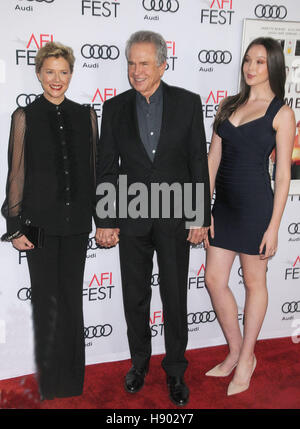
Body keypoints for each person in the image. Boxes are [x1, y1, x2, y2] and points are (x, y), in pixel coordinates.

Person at [95, 30, 210, 406]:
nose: (136, 70)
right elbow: (107, 168)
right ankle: (139, 364)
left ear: (163, 63)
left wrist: (199, 216)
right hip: (131, 217)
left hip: (177, 216)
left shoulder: (188, 103)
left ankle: (175, 370)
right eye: (131, 62)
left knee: (175, 297)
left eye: (144, 63)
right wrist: (106, 219)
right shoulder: (114, 108)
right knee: (135, 297)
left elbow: (197, 161)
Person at [1, 42, 99, 400]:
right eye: (50, 72)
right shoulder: (24, 116)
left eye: (63, 72)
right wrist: (15, 226)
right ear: (39, 73)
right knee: (46, 302)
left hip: (75, 226)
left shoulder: (86, 116)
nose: (56, 79)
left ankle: (72, 382)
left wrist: (102, 218)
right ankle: (50, 382)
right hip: (38, 225)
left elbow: (93, 174)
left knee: (72, 301)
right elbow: (17, 174)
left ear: (71, 74)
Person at [204, 37, 295, 396]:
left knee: (255, 283)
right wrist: (201, 209)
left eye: (259, 61)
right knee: (214, 279)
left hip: (257, 208)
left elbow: (283, 174)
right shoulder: (228, 106)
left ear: (272, 66)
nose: (251, 67)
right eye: (247, 60)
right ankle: (236, 350)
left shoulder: (282, 113)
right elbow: (212, 160)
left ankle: (246, 360)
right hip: (222, 208)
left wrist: (273, 226)